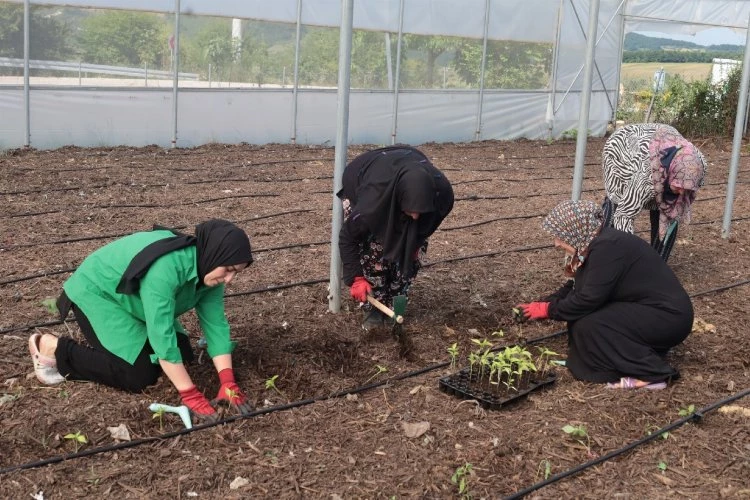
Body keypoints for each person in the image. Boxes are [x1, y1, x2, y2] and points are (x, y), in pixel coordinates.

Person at [28, 219, 254, 422]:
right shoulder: (166, 268)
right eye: (228, 270)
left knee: (183, 355)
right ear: (215, 254)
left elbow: (216, 326)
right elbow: (162, 334)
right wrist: (190, 394)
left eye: (236, 273)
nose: (230, 279)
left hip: (135, 301)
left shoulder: (209, 270)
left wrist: (228, 382)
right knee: (138, 375)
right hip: (101, 293)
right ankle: (54, 348)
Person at [517, 200, 693, 389]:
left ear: (576, 230)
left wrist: (548, 310)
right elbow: (575, 287)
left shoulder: (607, 248)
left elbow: (588, 299)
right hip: (650, 312)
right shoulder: (597, 245)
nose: (557, 243)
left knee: (592, 324)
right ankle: (631, 356)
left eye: (561, 236)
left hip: (667, 317)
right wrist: (540, 304)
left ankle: (652, 374)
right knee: (586, 322)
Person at [337, 145, 454, 330]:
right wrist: (356, 278)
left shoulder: (442, 195)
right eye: (411, 209)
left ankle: (395, 301)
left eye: (420, 211)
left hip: (408, 166)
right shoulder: (371, 205)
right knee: (375, 249)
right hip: (367, 177)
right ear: (400, 199)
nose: (415, 216)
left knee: (410, 254)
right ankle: (374, 307)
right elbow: (347, 237)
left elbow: (426, 224)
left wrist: (414, 244)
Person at [601, 123, 707, 260]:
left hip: (663, 144)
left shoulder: (698, 165)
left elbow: (676, 206)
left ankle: (657, 261)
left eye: (687, 188)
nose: (682, 192)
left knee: (671, 210)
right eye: (679, 186)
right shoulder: (646, 177)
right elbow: (624, 215)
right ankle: (603, 255)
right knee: (615, 207)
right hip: (622, 149)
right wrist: (630, 257)